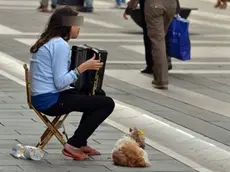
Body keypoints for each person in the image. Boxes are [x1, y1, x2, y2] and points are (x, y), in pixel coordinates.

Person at [29, 6, 115, 160]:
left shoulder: (50, 41)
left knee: (96, 94)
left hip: (42, 96)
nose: (79, 28)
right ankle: (73, 144)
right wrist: (82, 67)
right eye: (76, 24)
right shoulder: (59, 45)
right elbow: (60, 82)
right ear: (67, 26)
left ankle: (80, 141)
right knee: (107, 103)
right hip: (50, 101)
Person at [124, 0, 178, 90]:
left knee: (158, 41)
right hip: (171, 5)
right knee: (161, 37)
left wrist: (129, 8)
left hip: (154, 5)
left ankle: (161, 79)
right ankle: (163, 67)